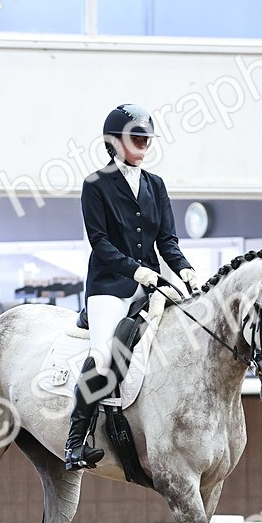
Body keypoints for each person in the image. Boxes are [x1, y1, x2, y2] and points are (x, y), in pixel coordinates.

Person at [64, 103, 200, 471]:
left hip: (152, 283)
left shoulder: (156, 185)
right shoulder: (96, 184)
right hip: (110, 285)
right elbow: (100, 242)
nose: (144, 144)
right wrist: (135, 271)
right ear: (113, 141)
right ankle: (76, 441)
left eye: (146, 139)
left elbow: (167, 240)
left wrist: (184, 269)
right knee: (103, 355)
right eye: (135, 138)